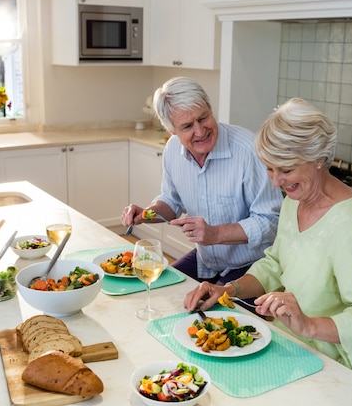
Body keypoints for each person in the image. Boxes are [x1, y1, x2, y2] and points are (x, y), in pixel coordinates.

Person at [183, 97, 352, 377]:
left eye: (287, 169)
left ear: (319, 158)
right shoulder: (294, 201)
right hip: (289, 345)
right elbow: (275, 264)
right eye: (270, 168)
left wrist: (308, 325)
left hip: (335, 365)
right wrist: (227, 291)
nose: (276, 182)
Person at [121, 77, 283, 285]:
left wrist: (215, 234)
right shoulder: (172, 149)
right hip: (206, 261)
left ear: (210, 109)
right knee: (161, 290)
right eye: (187, 126)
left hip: (253, 267)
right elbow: (171, 202)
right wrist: (145, 214)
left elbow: (272, 222)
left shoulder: (249, 150)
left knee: (211, 312)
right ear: (172, 130)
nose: (200, 131)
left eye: (204, 117)